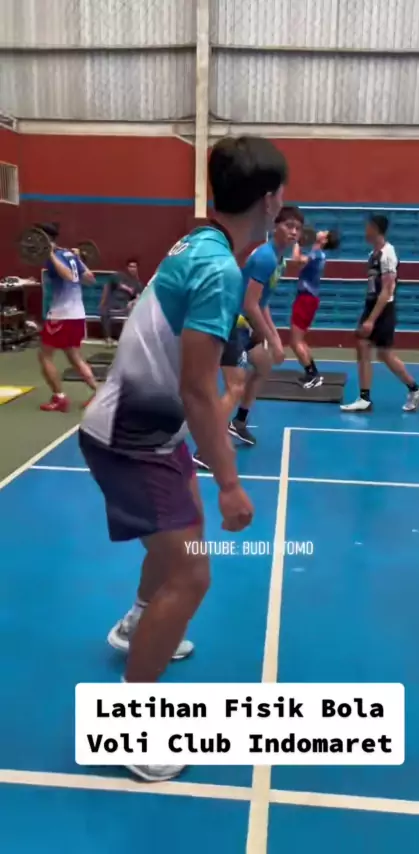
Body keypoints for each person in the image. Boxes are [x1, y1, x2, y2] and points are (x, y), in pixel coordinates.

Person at [78, 135, 288, 783]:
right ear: (271, 200)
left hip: (149, 433)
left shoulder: (197, 243)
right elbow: (198, 389)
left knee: (180, 541)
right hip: (133, 438)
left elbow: (190, 355)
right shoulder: (220, 269)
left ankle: (136, 626)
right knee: (192, 576)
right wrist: (229, 482)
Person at [193, 206, 304, 468]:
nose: (293, 232)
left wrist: (274, 337)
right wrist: (273, 340)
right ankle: (205, 450)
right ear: (275, 226)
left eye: (298, 229)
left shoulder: (279, 260)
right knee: (235, 387)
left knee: (263, 364)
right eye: (288, 226)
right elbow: (249, 303)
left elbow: (262, 304)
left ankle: (239, 422)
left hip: (247, 325)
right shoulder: (266, 258)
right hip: (232, 321)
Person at [341, 214, 419, 413]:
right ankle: (364, 398)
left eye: (367, 227)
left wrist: (371, 320)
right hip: (371, 305)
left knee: (384, 354)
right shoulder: (373, 254)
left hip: (383, 309)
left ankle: (415, 389)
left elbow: (387, 290)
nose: (365, 231)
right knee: (363, 346)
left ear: (375, 228)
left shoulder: (388, 254)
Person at [38, 223, 98, 412]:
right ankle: (100, 394)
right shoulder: (70, 255)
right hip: (77, 315)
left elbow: (70, 276)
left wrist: (50, 255)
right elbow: (90, 278)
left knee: (44, 356)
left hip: (61, 316)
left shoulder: (54, 257)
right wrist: (79, 260)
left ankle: (59, 398)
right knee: (74, 357)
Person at [290, 227, 340, 388]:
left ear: (324, 240)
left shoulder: (317, 254)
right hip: (308, 298)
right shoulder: (316, 253)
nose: (321, 231)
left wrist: (297, 243)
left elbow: (295, 260)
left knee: (294, 342)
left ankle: (312, 375)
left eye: (324, 232)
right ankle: (312, 372)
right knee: (299, 340)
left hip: (306, 299)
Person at [99, 258, 144, 345]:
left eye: (134, 267)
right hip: (113, 302)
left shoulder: (138, 284)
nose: (132, 269)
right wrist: (103, 301)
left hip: (124, 304)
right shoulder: (119, 276)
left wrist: (133, 302)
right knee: (104, 310)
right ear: (127, 267)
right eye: (130, 266)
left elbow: (139, 297)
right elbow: (107, 286)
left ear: (137, 268)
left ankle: (126, 338)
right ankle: (108, 337)